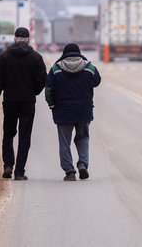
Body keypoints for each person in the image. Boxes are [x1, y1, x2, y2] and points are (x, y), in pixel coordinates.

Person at [0, 27, 46, 180]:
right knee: (24, 137)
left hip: (10, 101)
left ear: (14, 39)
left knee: (8, 134)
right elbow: (42, 79)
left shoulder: (5, 57)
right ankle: (19, 172)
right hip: (28, 102)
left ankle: (8, 166)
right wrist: (34, 91)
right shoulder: (36, 57)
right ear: (28, 39)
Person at [45, 43, 101, 181]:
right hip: (84, 111)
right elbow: (97, 81)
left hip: (63, 111)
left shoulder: (55, 69)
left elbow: (48, 90)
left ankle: (69, 172)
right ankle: (82, 163)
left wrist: (52, 105)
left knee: (65, 142)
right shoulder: (90, 67)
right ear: (79, 53)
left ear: (64, 53)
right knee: (83, 138)